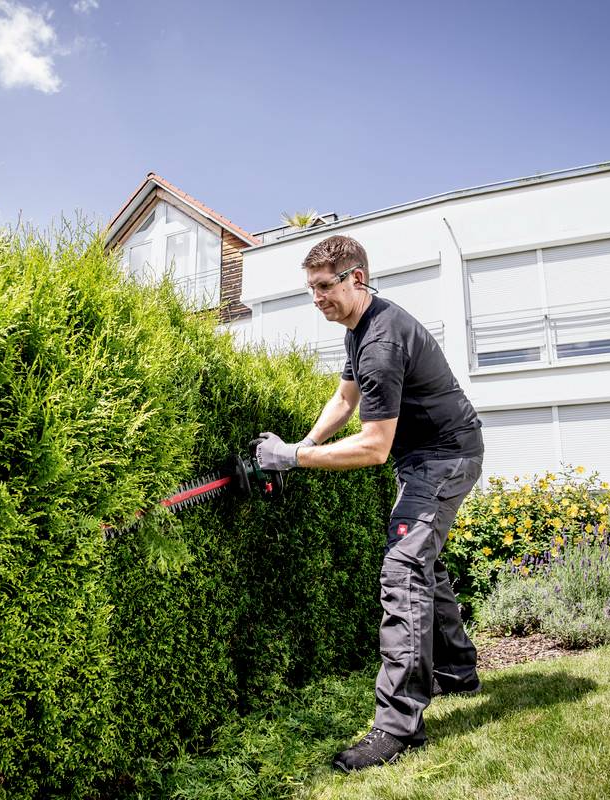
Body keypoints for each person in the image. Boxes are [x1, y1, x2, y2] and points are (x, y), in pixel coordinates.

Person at [251, 234, 486, 773]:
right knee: (423, 560)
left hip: (445, 457)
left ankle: (397, 726)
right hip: (428, 456)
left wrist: (290, 459)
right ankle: (457, 672)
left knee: (403, 569)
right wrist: (304, 445)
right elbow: (344, 398)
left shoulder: (380, 342)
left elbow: (374, 447)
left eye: (324, 288)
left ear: (357, 278)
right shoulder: (360, 329)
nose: (317, 300)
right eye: (310, 290)